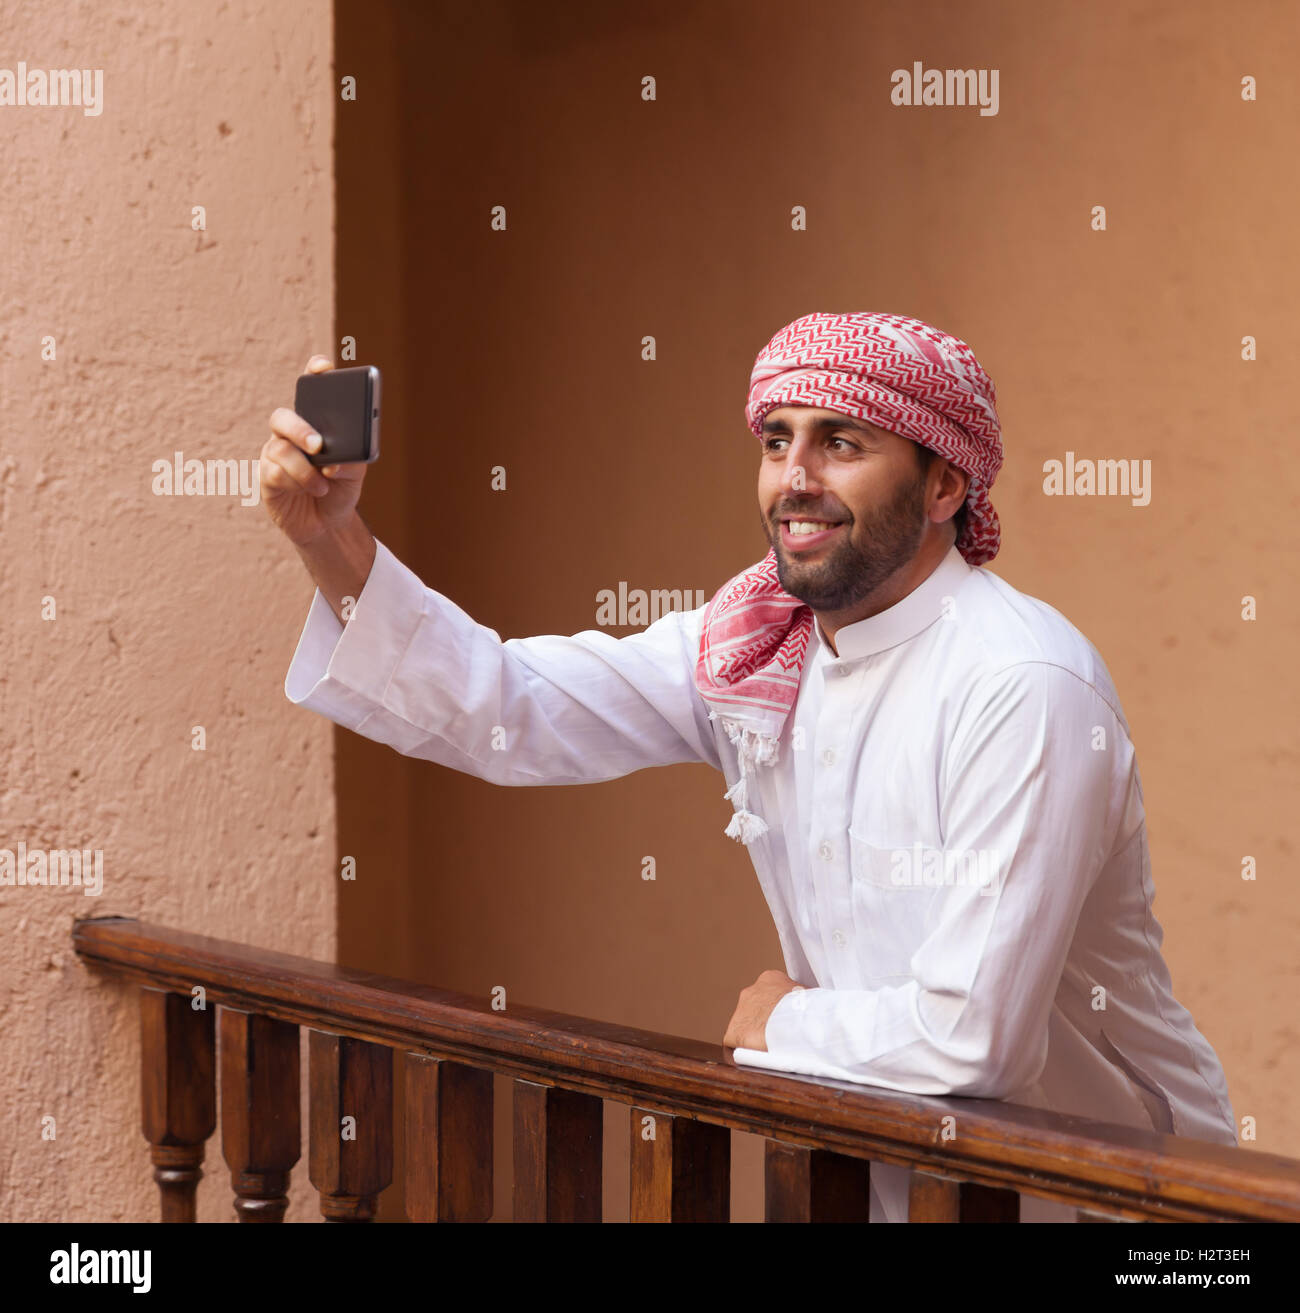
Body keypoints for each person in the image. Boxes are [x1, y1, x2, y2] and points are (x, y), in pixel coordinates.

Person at [262, 311, 1237, 1223]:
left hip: (1129, 1207)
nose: (792, 477)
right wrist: (330, 537)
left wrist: (783, 1024)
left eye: (841, 442)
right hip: (900, 1177)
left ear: (944, 486)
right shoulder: (757, 650)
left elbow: (973, 1039)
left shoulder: (1020, 684)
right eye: (776, 439)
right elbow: (504, 707)